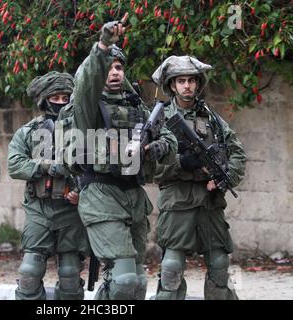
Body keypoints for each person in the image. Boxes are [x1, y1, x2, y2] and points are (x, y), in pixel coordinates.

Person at [70, 16, 178, 300]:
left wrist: (156, 147)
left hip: (133, 195)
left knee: (137, 282)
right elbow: (86, 81)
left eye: (119, 67)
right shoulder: (87, 107)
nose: (114, 72)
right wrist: (104, 46)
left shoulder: (137, 106)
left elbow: (170, 139)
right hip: (101, 193)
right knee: (125, 277)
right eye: (109, 68)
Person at [151, 55, 246, 300]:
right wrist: (181, 162)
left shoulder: (210, 117)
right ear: (172, 85)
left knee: (219, 264)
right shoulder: (159, 118)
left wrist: (225, 179)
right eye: (181, 81)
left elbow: (236, 151)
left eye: (191, 81)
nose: (187, 86)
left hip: (209, 200)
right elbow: (149, 166)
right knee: (171, 267)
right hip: (177, 199)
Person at [8, 71, 88, 300]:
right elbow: (15, 165)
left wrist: (80, 192)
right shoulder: (28, 131)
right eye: (56, 98)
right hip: (38, 209)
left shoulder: (82, 131)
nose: (61, 103)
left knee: (70, 274)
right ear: (44, 100)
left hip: (70, 211)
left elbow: (96, 166)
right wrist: (46, 167)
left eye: (66, 98)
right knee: (29, 272)